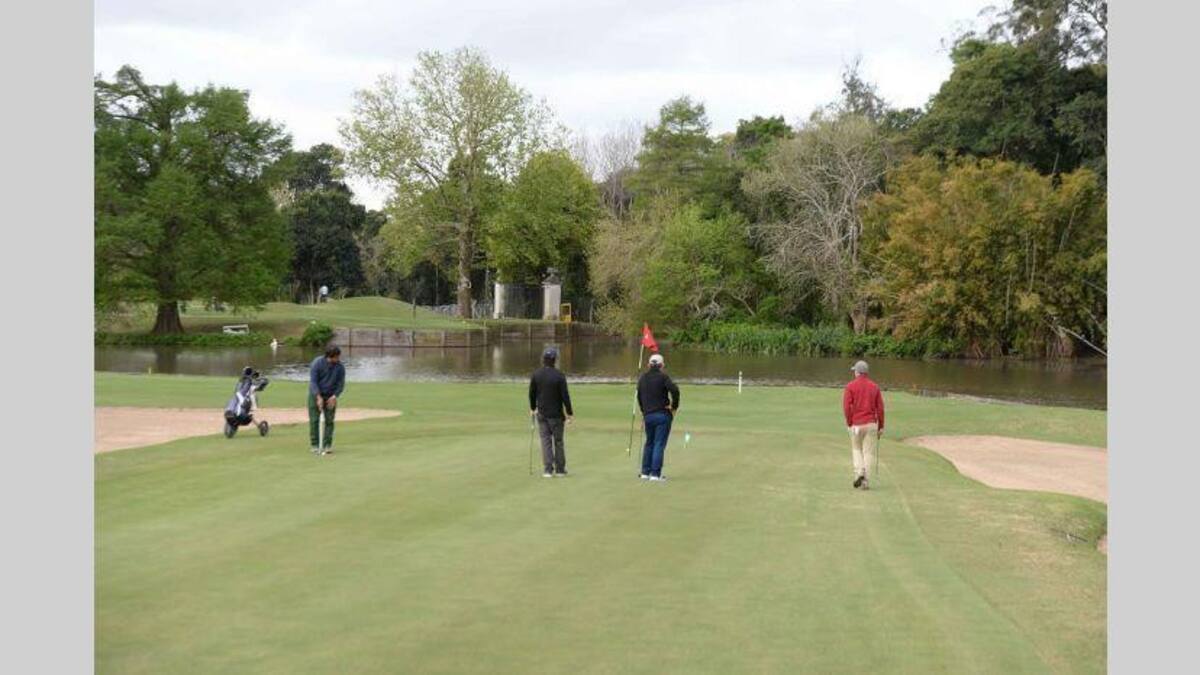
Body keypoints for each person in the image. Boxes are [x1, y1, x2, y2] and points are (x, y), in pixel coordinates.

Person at [529, 347, 573, 477]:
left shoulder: (536, 374)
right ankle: (560, 469)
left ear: (544, 359)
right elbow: (565, 396)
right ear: (554, 360)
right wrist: (569, 412)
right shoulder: (559, 375)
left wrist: (532, 408)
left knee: (546, 441)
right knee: (558, 441)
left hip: (542, 414)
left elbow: (531, 394)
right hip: (557, 415)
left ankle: (548, 469)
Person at [637, 353, 680, 481]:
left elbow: (639, 396)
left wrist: (644, 411)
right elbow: (675, 390)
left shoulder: (643, 378)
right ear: (662, 365)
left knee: (649, 443)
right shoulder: (663, 377)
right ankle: (655, 474)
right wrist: (674, 406)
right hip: (662, 415)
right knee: (659, 444)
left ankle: (645, 472)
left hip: (648, 415)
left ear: (648, 365)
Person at [843, 360, 885, 490]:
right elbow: (880, 409)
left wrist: (849, 422)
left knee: (856, 450)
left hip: (856, 424)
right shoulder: (875, 387)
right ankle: (865, 481)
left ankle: (859, 473)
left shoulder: (850, 386)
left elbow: (846, 407)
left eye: (854, 371)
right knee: (868, 453)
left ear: (857, 372)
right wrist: (881, 426)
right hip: (871, 424)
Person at [308, 345, 346, 456]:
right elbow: (313, 382)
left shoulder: (340, 367)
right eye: (336, 357)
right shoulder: (317, 363)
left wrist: (335, 396)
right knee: (314, 420)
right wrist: (318, 397)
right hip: (316, 394)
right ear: (330, 356)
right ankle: (315, 445)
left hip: (331, 396)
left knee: (329, 421)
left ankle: (327, 445)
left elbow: (341, 384)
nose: (338, 359)